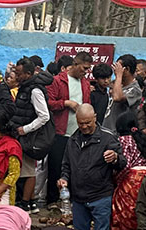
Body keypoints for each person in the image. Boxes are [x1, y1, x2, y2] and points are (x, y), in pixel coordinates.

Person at [59, 104, 125, 230]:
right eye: (80, 123)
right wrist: (64, 178)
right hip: (78, 198)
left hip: (101, 196)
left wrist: (115, 157)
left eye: (88, 122)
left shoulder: (107, 137)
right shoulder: (73, 140)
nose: (84, 126)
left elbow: (123, 163)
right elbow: (66, 165)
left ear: (95, 118)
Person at [45, 52, 92, 208]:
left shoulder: (85, 83)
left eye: (88, 68)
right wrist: (66, 103)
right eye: (84, 68)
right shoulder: (58, 81)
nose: (85, 71)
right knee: (56, 165)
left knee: (76, 166)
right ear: (75, 64)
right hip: (60, 130)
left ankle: (72, 199)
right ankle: (52, 199)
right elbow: (50, 103)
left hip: (79, 131)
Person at [110, 112, 146, 230]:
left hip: (131, 182)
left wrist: (117, 183)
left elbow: (124, 166)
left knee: (126, 218)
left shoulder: (124, 141)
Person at [8, 57, 51, 212]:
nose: (16, 76)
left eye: (18, 73)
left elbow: (44, 116)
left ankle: (25, 203)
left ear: (27, 73)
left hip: (28, 136)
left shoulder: (34, 90)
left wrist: (25, 129)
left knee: (28, 171)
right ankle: (31, 201)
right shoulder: (26, 87)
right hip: (23, 134)